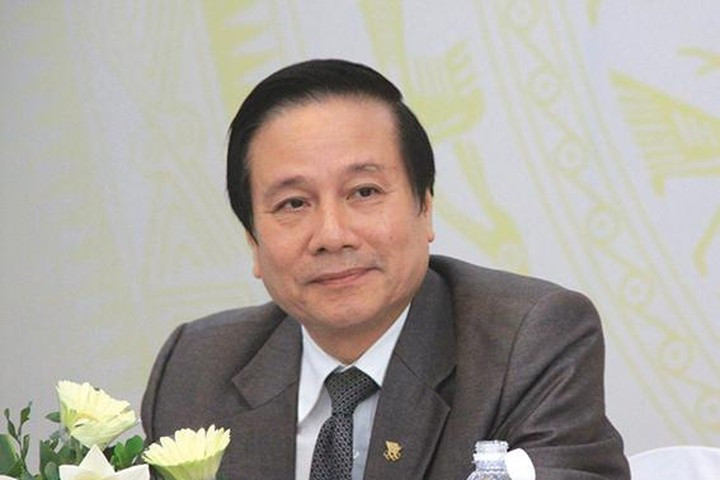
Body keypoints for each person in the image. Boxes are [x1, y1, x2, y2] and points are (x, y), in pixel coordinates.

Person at [141, 59, 630, 480]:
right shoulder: (195, 369)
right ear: (252, 238)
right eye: (293, 203)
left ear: (425, 208)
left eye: (364, 192)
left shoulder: (526, 343)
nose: (332, 235)